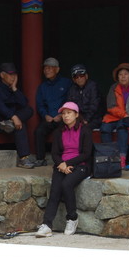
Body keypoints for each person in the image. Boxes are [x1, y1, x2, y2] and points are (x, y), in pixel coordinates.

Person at [35, 102, 93, 238]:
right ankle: (47, 225)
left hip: (81, 164)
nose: (66, 116)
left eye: (69, 113)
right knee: (55, 189)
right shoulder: (59, 131)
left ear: (76, 114)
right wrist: (62, 164)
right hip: (62, 165)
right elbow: (55, 153)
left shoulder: (85, 130)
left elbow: (86, 153)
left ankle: (72, 218)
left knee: (66, 184)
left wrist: (68, 163)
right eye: (63, 113)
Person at [0, 62, 34, 168]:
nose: (13, 77)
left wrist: (14, 88)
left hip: (10, 121)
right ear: (2, 75)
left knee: (29, 110)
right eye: (10, 74)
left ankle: (11, 124)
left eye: (14, 74)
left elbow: (24, 103)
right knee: (20, 123)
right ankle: (24, 158)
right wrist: (13, 117)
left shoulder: (13, 87)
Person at [33, 57, 72, 168]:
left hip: (63, 117)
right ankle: (40, 159)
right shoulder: (43, 87)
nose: (47, 70)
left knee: (60, 132)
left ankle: (61, 160)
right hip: (49, 118)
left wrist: (62, 114)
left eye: (50, 68)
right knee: (39, 131)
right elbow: (40, 104)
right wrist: (45, 115)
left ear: (57, 69)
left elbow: (70, 100)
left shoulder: (66, 83)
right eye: (45, 68)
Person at [100, 63, 129, 169]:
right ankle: (109, 156)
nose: (123, 76)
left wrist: (127, 115)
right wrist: (123, 114)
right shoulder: (114, 87)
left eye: (126, 74)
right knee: (105, 128)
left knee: (122, 127)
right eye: (120, 74)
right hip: (114, 116)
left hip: (128, 117)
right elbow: (111, 107)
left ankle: (121, 158)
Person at [66, 64, 102, 130]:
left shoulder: (93, 86)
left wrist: (86, 119)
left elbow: (94, 106)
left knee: (83, 129)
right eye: (76, 77)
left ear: (86, 76)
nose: (79, 78)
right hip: (78, 118)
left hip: (93, 118)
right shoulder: (72, 89)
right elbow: (70, 106)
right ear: (73, 79)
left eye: (81, 76)